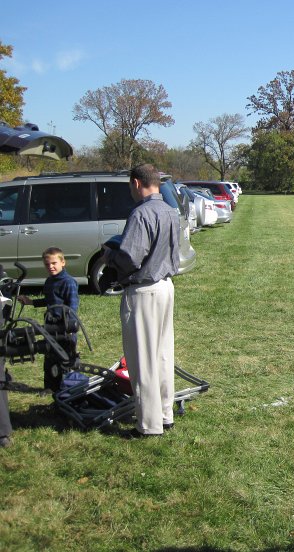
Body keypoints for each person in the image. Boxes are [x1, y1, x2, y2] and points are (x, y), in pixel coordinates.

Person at [104, 164, 180, 439]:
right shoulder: (170, 210)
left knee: (142, 360)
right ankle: (164, 415)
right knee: (162, 355)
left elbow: (129, 258)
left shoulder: (141, 213)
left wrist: (109, 255)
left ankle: (149, 426)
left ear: (136, 183)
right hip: (165, 286)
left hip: (144, 290)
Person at [18, 247, 80, 393]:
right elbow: (49, 300)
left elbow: (72, 306)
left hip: (64, 327)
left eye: (54, 263)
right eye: (47, 264)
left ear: (63, 262)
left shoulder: (68, 282)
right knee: (49, 356)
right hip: (50, 326)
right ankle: (49, 387)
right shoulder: (49, 281)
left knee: (65, 358)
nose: (50, 267)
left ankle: (65, 388)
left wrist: (69, 327)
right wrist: (31, 302)